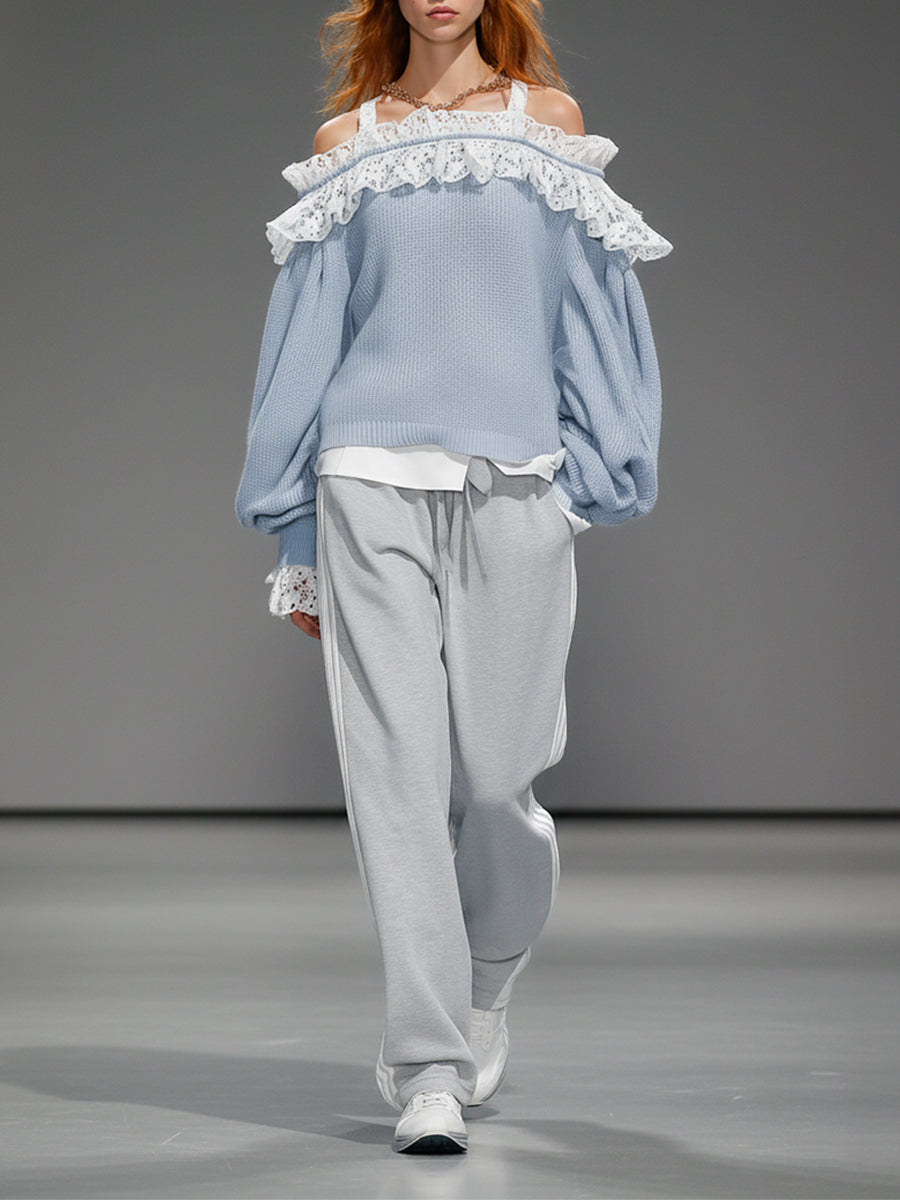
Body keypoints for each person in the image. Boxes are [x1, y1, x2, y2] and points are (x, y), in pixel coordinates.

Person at [235, 0, 671, 1155]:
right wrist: (296, 537)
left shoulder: (547, 125)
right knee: (396, 781)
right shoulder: (349, 143)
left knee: (498, 777)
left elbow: (592, 313)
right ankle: (428, 1064)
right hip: (364, 480)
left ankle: (487, 974)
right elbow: (307, 338)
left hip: (513, 483)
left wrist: (592, 472)